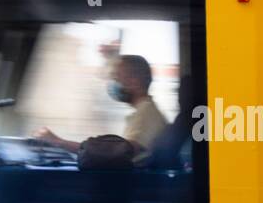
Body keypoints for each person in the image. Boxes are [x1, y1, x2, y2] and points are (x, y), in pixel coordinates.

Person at [36, 54, 169, 161]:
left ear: (134, 82)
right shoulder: (143, 112)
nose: (112, 84)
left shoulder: (146, 114)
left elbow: (119, 153)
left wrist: (59, 142)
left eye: (116, 77)